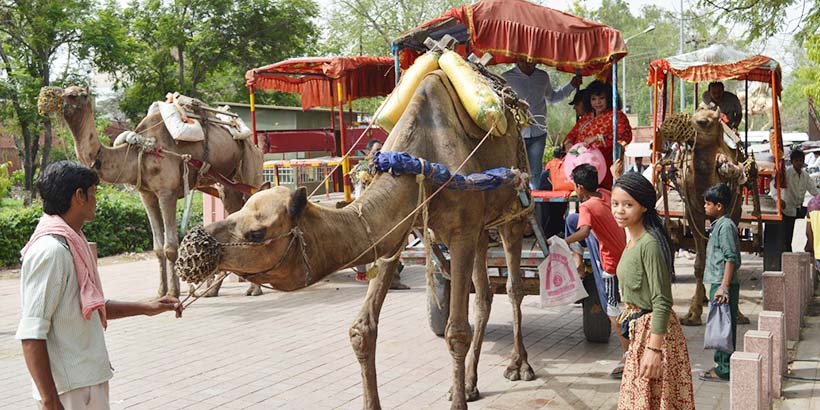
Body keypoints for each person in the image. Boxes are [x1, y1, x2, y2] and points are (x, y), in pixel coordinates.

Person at [16, 161, 182, 410]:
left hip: (86, 382)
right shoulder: (51, 251)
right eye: (94, 193)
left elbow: (87, 308)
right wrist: (50, 401)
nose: (96, 200)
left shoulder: (72, 241)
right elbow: (31, 333)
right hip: (68, 390)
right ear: (79, 196)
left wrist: (148, 307)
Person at [611, 173, 694, 409]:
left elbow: (662, 301)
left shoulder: (649, 244)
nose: (620, 210)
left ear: (644, 207)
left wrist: (653, 349)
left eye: (628, 205)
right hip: (640, 335)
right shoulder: (633, 241)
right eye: (615, 204)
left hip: (655, 336)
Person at [561, 164, 628, 378]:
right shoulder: (607, 194)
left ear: (580, 187)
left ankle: (628, 354)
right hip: (626, 254)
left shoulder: (587, 206)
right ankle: (578, 259)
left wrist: (563, 242)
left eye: (575, 187)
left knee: (612, 309)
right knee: (571, 220)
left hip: (610, 263)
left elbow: (584, 231)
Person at [503, 58, 581, 188]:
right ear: (517, 58)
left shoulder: (542, 77)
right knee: (514, 172)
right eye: (524, 59)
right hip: (516, 135)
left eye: (531, 60)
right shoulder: (506, 78)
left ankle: (536, 206)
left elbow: (553, 97)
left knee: (535, 174)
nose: (528, 63)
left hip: (538, 135)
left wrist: (571, 85)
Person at [349, 139, 410, 290]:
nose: (380, 152)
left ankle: (390, 277)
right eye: (376, 150)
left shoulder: (385, 165)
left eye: (382, 149)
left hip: (383, 211)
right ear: (368, 152)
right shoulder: (362, 168)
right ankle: (379, 277)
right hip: (365, 210)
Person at [699, 183, 741, 382]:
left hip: (723, 284)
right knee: (719, 325)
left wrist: (723, 287)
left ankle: (724, 369)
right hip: (718, 282)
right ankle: (721, 365)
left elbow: (730, 258)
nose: (705, 207)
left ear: (719, 206)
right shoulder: (719, 225)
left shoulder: (725, 227)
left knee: (724, 326)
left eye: (708, 204)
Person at [563, 80, 633, 189]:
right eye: (594, 99)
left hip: (605, 164)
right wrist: (568, 143)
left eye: (601, 98)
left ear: (609, 98)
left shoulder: (617, 116)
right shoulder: (586, 118)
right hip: (580, 165)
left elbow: (625, 136)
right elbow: (570, 136)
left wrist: (597, 138)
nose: (598, 102)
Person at [781, 148, 820, 252]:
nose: (799, 163)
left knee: (812, 217)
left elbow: (814, 190)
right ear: (792, 161)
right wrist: (779, 200)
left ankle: (810, 246)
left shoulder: (805, 176)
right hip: (787, 208)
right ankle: (787, 255)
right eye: (796, 161)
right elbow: (774, 187)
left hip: (798, 208)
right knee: (787, 237)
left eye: (801, 161)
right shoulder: (787, 173)